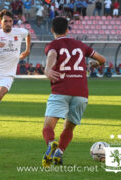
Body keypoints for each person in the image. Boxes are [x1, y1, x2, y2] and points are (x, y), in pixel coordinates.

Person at [41, 17, 106, 167]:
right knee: (69, 127)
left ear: (52, 30)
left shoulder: (53, 44)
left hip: (61, 90)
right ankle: (59, 153)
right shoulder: (80, 45)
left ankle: (51, 144)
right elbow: (102, 59)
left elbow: (51, 55)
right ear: (67, 30)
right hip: (81, 93)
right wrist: (95, 64)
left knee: (48, 126)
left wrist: (47, 70)